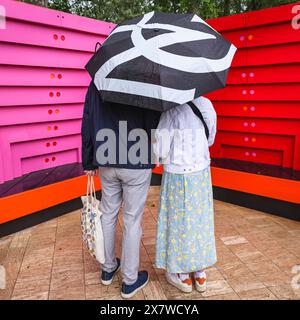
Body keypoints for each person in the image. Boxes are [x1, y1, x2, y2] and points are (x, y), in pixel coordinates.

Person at [81, 81, 160, 299]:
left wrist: (88, 162)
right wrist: (154, 153)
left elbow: (88, 120)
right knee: (132, 220)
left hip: (107, 158)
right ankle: (129, 281)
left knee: (108, 214)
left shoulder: (97, 82)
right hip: (137, 159)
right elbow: (153, 122)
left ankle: (107, 269)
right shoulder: (144, 81)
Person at [153, 96, 217, 293]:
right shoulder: (206, 105)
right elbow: (211, 139)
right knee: (200, 220)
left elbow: (161, 148)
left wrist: (156, 157)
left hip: (177, 174)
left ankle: (181, 275)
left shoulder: (171, 109)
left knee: (179, 221)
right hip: (201, 172)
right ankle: (200, 273)